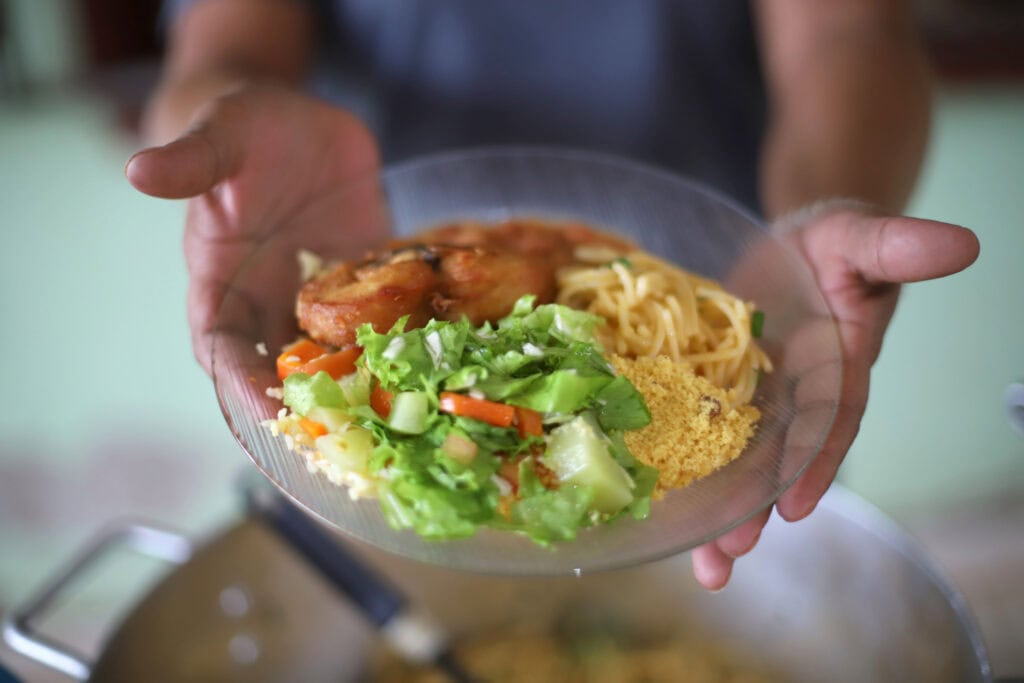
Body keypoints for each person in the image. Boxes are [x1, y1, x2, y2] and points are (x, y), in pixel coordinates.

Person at [125, 0, 979, 590]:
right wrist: (222, 123)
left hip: (746, 298)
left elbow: (850, 29)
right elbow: (220, 49)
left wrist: (816, 214)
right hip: (345, 242)